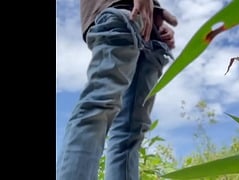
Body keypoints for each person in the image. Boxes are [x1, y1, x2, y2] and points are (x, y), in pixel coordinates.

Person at [56, 0, 178, 179]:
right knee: (98, 107)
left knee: (130, 134)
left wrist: (155, 15)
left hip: (150, 35)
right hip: (122, 14)